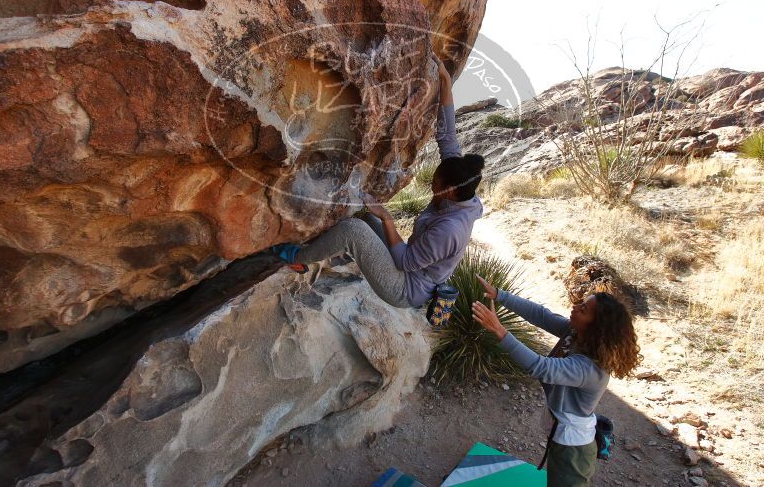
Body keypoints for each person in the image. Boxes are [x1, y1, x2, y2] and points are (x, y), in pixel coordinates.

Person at [271, 54, 484, 308]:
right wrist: (445, 82)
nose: (431, 185)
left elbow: (404, 261)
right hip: (407, 266)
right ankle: (322, 250)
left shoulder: (451, 230)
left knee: (355, 231)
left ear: (449, 191)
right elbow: (448, 136)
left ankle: (298, 258)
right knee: (361, 215)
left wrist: (386, 217)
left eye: (435, 184)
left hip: (405, 287)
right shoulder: (459, 183)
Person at [470, 275, 642, 487]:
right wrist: (499, 294)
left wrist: (498, 329)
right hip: (563, 436)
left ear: (596, 326)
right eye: (581, 303)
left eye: (583, 309)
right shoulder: (578, 334)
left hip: (573, 450)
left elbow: (540, 367)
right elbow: (541, 315)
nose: (575, 306)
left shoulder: (589, 368)